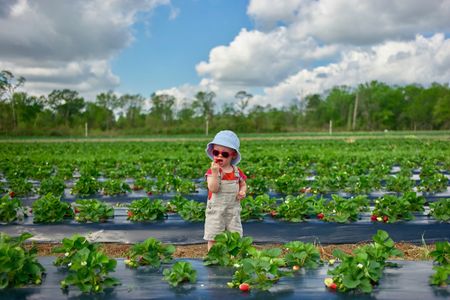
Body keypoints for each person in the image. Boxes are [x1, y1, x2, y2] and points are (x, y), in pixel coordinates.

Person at [203, 130, 247, 251]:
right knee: (214, 235)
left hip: (232, 210)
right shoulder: (212, 171)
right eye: (216, 152)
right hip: (216, 210)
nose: (219, 156)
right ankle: (213, 255)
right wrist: (215, 173)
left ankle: (233, 256)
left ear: (233, 155)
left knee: (234, 235)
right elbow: (213, 188)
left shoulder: (236, 171)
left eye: (225, 154)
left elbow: (243, 184)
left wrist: (243, 191)